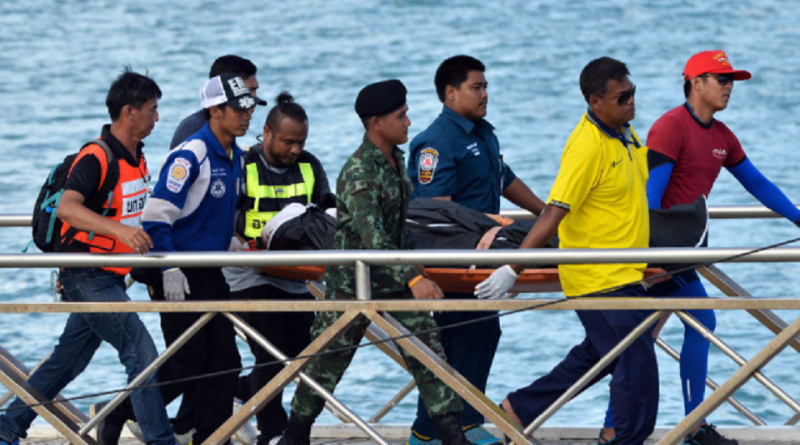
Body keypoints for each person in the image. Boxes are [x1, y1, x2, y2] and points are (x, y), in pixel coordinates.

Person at [599, 50, 800, 445]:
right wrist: (642, 259)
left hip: (681, 253)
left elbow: (757, 184)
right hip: (656, 251)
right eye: (721, 79)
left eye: (732, 80)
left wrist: (797, 216)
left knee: (646, 336)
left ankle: (644, 426)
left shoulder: (723, 136)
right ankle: (686, 425)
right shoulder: (671, 127)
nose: (729, 87)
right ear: (695, 82)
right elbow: (650, 200)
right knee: (666, 330)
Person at [279, 80, 474, 445]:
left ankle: (451, 435)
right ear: (376, 123)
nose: (408, 123)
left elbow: (400, 231)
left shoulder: (395, 160)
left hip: (395, 278)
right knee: (327, 362)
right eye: (401, 116)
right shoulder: (359, 172)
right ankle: (295, 434)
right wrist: (414, 279)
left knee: (429, 351)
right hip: (353, 284)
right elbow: (374, 239)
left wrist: (418, 271)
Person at [475, 57, 658, 445]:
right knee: (636, 367)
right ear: (595, 101)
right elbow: (553, 213)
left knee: (596, 356)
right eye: (622, 97)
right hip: (597, 278)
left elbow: (627, 205)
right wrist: (514, 267)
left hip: (627, 271)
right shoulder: (585, 147)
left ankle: (521, 408)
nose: (631, 102)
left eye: (633, 92)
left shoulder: (627, 134)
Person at [0, 68, 175, 445]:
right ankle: (161, 441)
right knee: (141, 353)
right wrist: (122, 232)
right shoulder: (97, 157)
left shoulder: (136, 156)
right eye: (152, 109)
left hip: (110, 276)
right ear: (129, 112)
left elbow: (127, 212)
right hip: (86, 275)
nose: (157, 117)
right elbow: (67, 208)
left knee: (68, 361)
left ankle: (6, 427)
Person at [96, 74, 266, 445]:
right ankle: (118, 412)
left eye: (250, 107)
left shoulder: (237, 156)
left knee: (225, 365)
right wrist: (168, 265)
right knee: (187, 364)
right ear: (215, 111)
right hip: (177, 271)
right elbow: (157, 216)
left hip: (210, 270)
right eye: (238, 108)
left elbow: (210, 213)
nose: (246, 115)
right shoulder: (190, 154)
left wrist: (234, 245)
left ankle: (208, 438)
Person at [407, 54, 543, 445]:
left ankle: (442, 427)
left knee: (478, 334)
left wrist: (547, 215)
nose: (485, 93)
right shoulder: (436, 143)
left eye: (485, 86)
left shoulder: (483, 133)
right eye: (476, 87)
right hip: (455, 257)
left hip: (484, 255)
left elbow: (504, 178)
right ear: (451, 94)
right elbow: (436, 213)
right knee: (459, 337)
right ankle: (445, 427)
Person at [223, 92, 331, 445]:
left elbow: (326, 213)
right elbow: (223, 217)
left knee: (307, 350)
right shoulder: (243, 165)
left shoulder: (310, 166)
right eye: (287, 141)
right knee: (270, 350)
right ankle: (273, 431)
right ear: (266, 133)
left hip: (294, 275)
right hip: (247, 272)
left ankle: (242, 391)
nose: (294, 149)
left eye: (300, 142)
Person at [170, 54, 263, 150]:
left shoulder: (227, 130)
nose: (254, 98)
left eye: (255, 91)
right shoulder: (193, 129)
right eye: (248, 91)